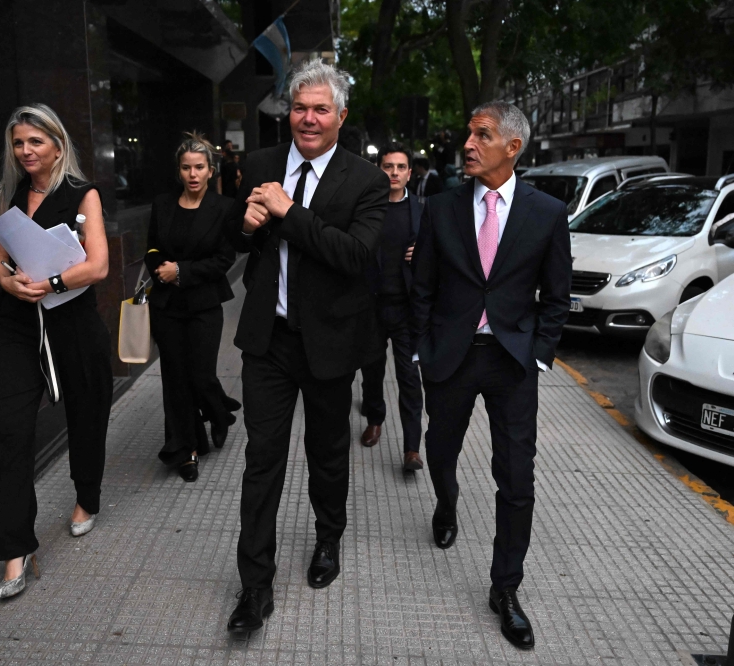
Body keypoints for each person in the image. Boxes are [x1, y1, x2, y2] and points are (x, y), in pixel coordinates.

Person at [223, 60, 388, 632]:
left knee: (327, 453)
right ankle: (254, 587)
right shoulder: (260, 165)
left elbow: (354, 256)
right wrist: (247, 227)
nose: (309, 119)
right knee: (262, 459)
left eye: (321, 109)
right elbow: (233, 238)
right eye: (299, 108)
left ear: (341, 116)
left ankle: (328, 538)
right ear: (287, 113)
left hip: (330, 342)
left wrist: (288, 213)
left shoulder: (366, 180)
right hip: (267, 341)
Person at [409, 101, 571, 649]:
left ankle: (505, 588)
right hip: (450, 357)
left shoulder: (547, 212)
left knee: (517, 479)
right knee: (440, 450)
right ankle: (446, 501)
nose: (469, 145)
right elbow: (422, 285)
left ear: (513, 147)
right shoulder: (441, 207)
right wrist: (422, 347)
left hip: (511, 362)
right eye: (469, 133)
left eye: (482, 135)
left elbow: (557, 295)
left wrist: (539, 354)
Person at [0, 104, 114, 599]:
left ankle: (87, 497)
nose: (26, 151)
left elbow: (98, 266)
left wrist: (52, 282)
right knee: (9, 431)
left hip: (73, 324)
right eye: (18, 143)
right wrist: (9, 283)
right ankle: (14, 548)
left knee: (87, 415)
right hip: (18, 326)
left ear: (58, 146)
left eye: (35, 141)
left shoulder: (83, 194)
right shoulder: (9, 197)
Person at [145, 132, 240, 482]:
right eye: (186, 168)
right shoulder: (162, 204)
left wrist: (182, 271)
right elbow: (152, 247)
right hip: (167, 304)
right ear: (179, 171)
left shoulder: (224, 208)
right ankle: (185, 449)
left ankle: (218, 412)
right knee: (175, 379)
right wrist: (161, 268)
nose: (193, 174)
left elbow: (224, 260)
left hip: (204, 304)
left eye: (199, 167)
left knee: (201, 375)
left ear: (211, 170)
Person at [358, 143, 424, 472]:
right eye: (388, 166)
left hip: (406, 310)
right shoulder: (367, 208)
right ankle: (375, 419)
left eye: (400, 167)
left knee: (409, 377)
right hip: (371, 306)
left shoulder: (424, 211)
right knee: (372, 371)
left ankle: (412, 448)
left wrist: (425, 252)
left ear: (410, 173)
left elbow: (444, 255)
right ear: (379, 170)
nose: (394, 173)